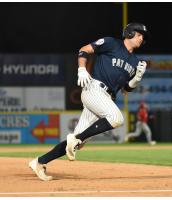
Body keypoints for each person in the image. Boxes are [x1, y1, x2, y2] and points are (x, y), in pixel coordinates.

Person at [29, 22, 149, 181]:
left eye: (143, 36)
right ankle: (76, 138)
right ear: (129, 33)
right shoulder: (112, 43)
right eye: (139, 34)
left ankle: (39, 162)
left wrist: (137, 79)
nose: (141, 38)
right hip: (94, 89)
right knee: (117, 118)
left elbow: (126, 90)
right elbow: (84, 49)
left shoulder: (135, 62)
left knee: (78, 142)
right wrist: (81, 69)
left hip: (106, 97)